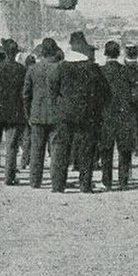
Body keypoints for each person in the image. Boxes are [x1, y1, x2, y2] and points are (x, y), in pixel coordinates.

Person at [49, 31, 109, 193]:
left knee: (61, 149)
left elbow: (53, 91)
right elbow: (103, 93)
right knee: (86, 149)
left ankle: (58, 184)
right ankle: (85, 184)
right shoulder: (92, 69)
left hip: (65, 114)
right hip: (87, 114)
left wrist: (59, 107)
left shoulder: (61, 68)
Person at [0, 39, 27, 185]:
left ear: (4, 52)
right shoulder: (21, 69)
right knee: (11, 146)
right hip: (14, 112)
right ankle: (9, 177)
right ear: (16, 53)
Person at [23, 38, 61, 188]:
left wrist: (28, 114)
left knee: (36, 150)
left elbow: (26, 94)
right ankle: (56, 183)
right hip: (55, 114)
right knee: (56, 150)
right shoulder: (59, 68)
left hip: (37, 114)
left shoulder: (33, 69)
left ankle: (35, 181)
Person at [99, 41, 135, 190]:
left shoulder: (100, 71)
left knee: (106, 149)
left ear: (105, 53)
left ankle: (106, 180)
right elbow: (135, 92)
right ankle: (123, 180)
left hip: (105, 114)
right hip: (124, 113)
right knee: (124, 149)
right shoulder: (126, 70)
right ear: (119, 53)